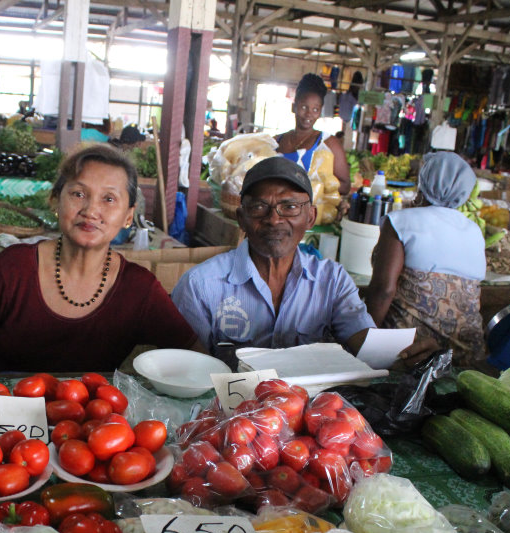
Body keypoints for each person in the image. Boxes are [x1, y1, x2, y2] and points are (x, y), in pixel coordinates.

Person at [0, 144, 202, 373]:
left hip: (94, 424)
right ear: (56, 201)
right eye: (78, 194)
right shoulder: (14, 268)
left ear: (128, 216)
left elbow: (196, 355)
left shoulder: (139, 289)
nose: (91, 211)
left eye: (109, 199)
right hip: (4, 417)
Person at [172, 156, 435, 365]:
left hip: (309, 416)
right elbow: (189, 369)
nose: (274, 219)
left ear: (310, 218)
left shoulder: (331, 280)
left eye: (290, 207)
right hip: (233, 420)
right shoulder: (200, 286)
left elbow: (362, 340)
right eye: (259, 207)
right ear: (241, 218)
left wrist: (406, 354)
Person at [364, 151, 487, 366]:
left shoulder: (401, 221)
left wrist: (363, 343)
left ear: (423, 181)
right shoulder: (474, 230)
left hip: (411, 353)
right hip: (465, 356)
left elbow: (383, 291)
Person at [276, 73, 351, 197]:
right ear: (294, 107)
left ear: (320, 111)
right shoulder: (277, 140)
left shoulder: (328, 143)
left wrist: (313, 184)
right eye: (304, 107)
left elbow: (345, 186)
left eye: (315, 109)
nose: (309, 114)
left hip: (311, 214)